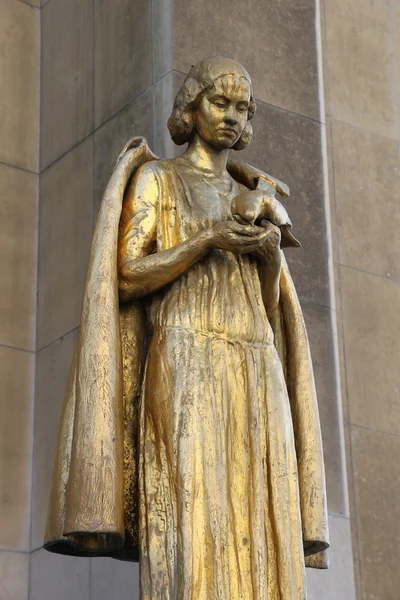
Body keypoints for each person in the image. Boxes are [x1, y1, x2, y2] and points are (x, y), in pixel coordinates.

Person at [44, 57, 329, 599]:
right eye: (219, 102)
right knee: (193, 507)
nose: (230, 117)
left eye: (241, 108)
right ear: (191, 105)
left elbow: (269, 309)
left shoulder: (251, 192)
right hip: (187, 353)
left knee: (260, 514)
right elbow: (126, 275)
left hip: (254, 356)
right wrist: (208, 239)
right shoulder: (159, 179)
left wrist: (269, 258)